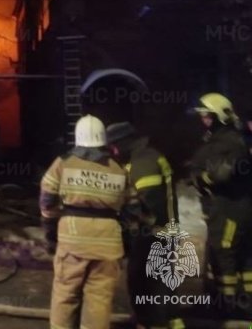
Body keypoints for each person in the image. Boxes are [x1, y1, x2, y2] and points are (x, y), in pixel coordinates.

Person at [40, 114, 140, 329]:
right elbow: (132, 210)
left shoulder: (63, 163)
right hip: (108, 244)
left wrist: (51, 233)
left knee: (66, 294)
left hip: (73, 240)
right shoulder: (118, 168)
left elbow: (47, 201)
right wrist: (126, 242)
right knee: (99, 300)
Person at [106, 122, 184, 329]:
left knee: (146, 284)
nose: (113, 152)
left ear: (123, 143)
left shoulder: (143, 161)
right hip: (159, 231)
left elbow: (147, 203)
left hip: (153, 233)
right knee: (161, 283)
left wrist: (127, 224)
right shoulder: (143, 156)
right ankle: (171, 321)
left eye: (114, 146)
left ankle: (153, 323)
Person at [188, 93, 252, 320]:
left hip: (229, 209)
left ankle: (228, 306)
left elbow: (224, 173)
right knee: (243, 255)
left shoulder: (230, 142)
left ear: (219, 116)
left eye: (207, 116)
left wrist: (202, 178)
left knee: (225, 254)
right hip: (229, 207)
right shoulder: (224, 139)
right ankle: (242, 304)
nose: (203, 120)